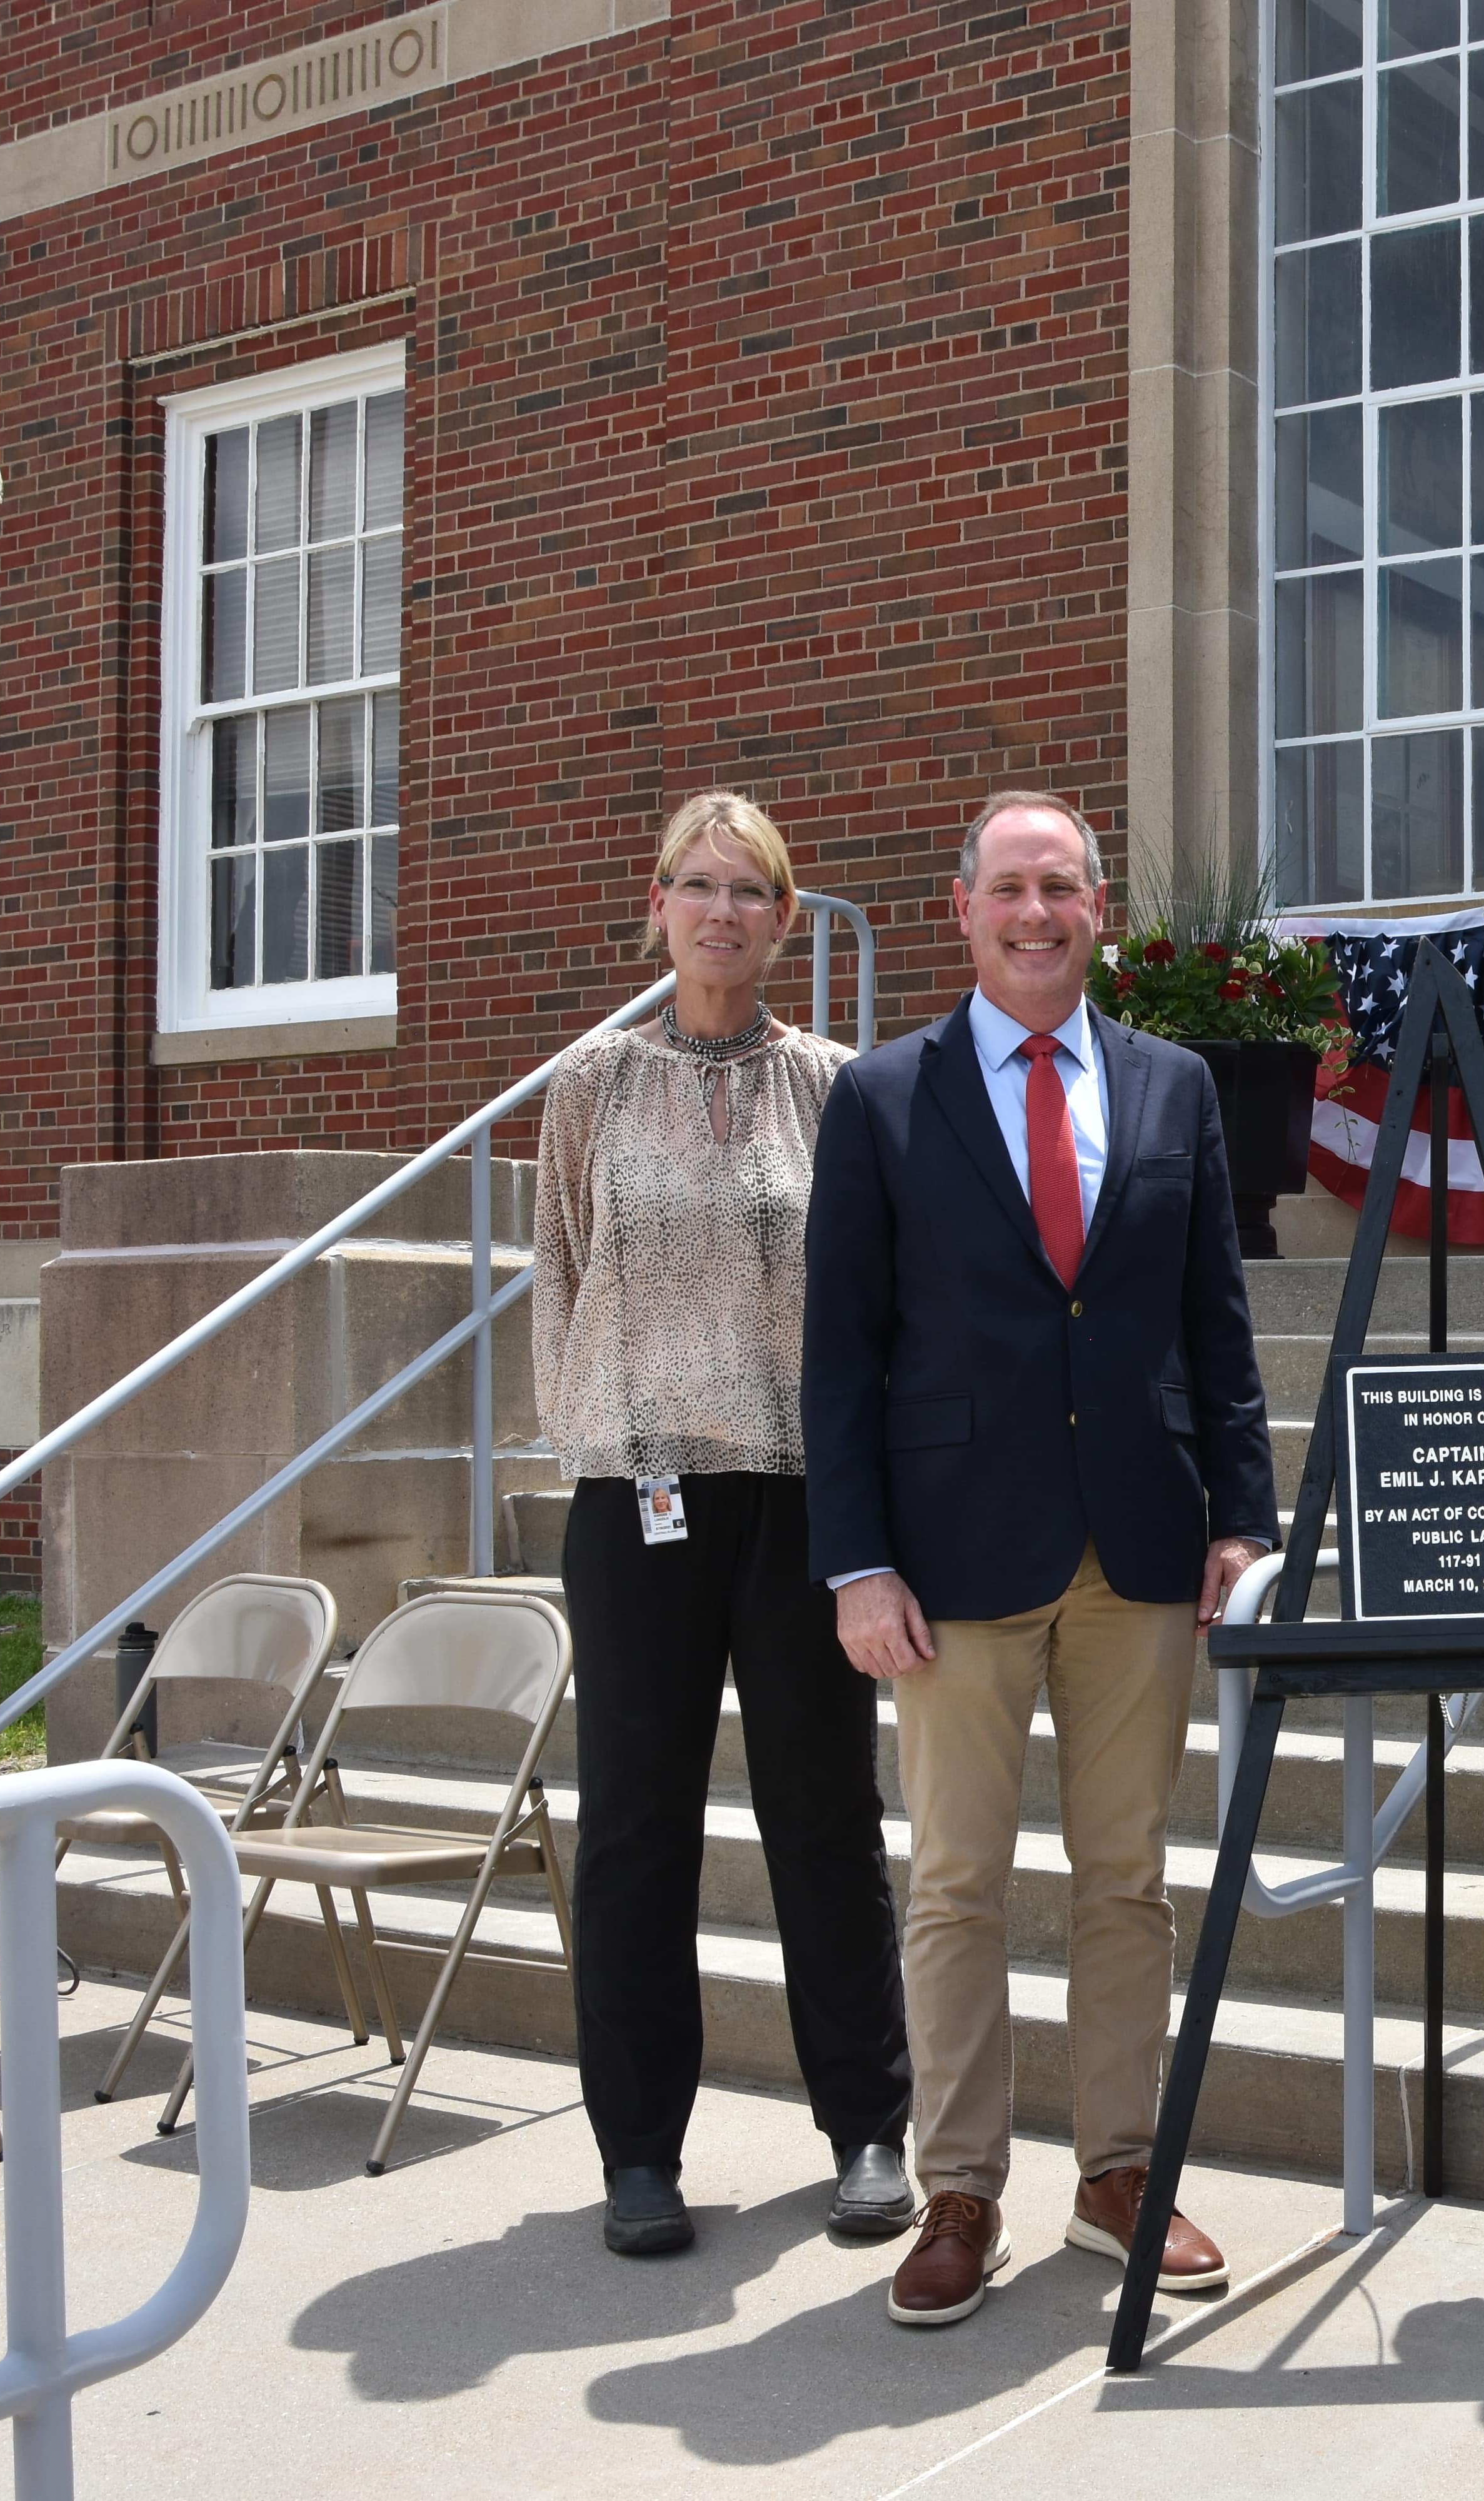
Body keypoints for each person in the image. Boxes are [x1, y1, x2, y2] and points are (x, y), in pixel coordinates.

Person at [803, 789, 1276, 2329]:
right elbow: (842, 1353)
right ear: (962, 908)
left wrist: (1242, 1515)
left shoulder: (1177, 1086)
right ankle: (959, 2189)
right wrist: (856, 1560)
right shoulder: (882, 1097)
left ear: (1098, 910)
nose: (1035, 912)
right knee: (955, 1881)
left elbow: (1216, 1325)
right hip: (950, 1562)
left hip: (1139, 1542)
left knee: (1127, 1877)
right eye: (1008, 887)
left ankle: (1119, 2171)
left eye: (1061, 887)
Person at [531, 791, 916, 2260]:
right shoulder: (592, 1086)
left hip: (806, 1499)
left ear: (785, 916)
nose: (720, 912)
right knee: (636, 1827)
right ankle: (640, 2150)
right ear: (658, 904)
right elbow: (560, 1271)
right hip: (640, 1500)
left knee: (824, 1818)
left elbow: (877, 1303)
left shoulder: (839, 1086)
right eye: (695, 885)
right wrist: (602, 1421)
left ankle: (867, 2126)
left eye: (749, 889)